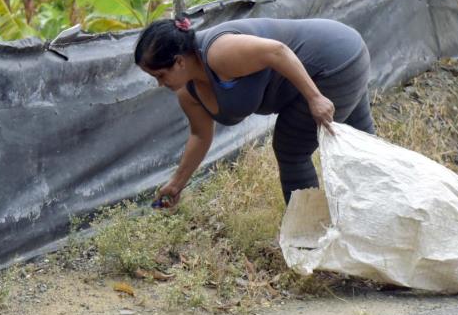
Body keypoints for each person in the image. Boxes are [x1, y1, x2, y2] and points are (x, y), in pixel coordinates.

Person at [134, 16, 376, 207]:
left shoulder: (218, 53)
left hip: (335, 61)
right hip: (331, 59)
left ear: (179, 62)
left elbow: (277, 51)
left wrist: (315, 98)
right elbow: (200, 136)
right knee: (365, 147)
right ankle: (383, 210)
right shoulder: (188, 93)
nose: (159, 83)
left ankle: (308, 236)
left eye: (160, 75)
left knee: (291, 150)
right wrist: (176, 184)